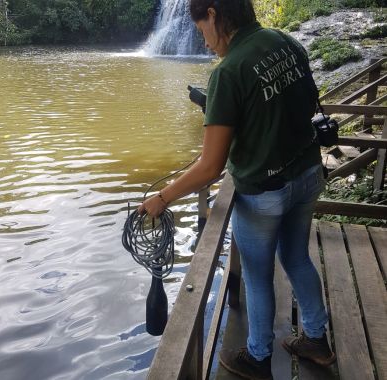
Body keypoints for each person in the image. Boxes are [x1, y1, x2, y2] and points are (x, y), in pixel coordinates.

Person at [138, 0, 336, 379]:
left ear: (213, 14)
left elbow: (211, 167)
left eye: (201, 30)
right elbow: (294, 105)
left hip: (265, 193)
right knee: (296, 258)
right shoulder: (285, 42)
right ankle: (315, 338)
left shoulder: (228, 72)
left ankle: (259, 357)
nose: (207, 43)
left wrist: (161, 199)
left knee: (257, 276)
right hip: (308, 174)